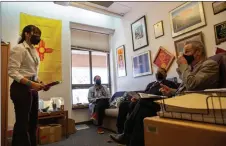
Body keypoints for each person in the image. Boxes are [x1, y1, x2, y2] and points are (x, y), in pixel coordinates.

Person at [110, 41, 219, 146]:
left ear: (198, 52)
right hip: (180, 101)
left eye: (187, 51)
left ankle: (128, 137)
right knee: (140, 104)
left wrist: (183, 66)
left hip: (193, 104)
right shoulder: (191, 69)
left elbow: (192, 85)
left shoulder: (210, 65)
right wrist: (170, 91)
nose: (183, 55)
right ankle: (129, 137)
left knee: (143, 104)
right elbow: (185, 89)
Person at [8, 25, 50, 146]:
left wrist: (40, 83)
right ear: (26, 34)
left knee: (32, 122)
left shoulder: (34, 50)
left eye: (39, 35)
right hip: (20, 89)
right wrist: (32, 83)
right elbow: (12, 72)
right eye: (35, 33)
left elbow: (32, 73)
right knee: (22, 123)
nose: (38, 37)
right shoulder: (19, 49)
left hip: (31, 88)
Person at [116, 67, 178, 134]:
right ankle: (120, 130)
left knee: (138, 103)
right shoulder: (151, 84)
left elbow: (174, 94)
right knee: (123, 104)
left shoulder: (169, 83)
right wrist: (136, 97)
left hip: (153, 102)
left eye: (161, 72)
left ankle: (127, 131)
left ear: (165, 74)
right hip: (142, 100)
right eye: (157, 72)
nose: (158, 73)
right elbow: (143, 93)